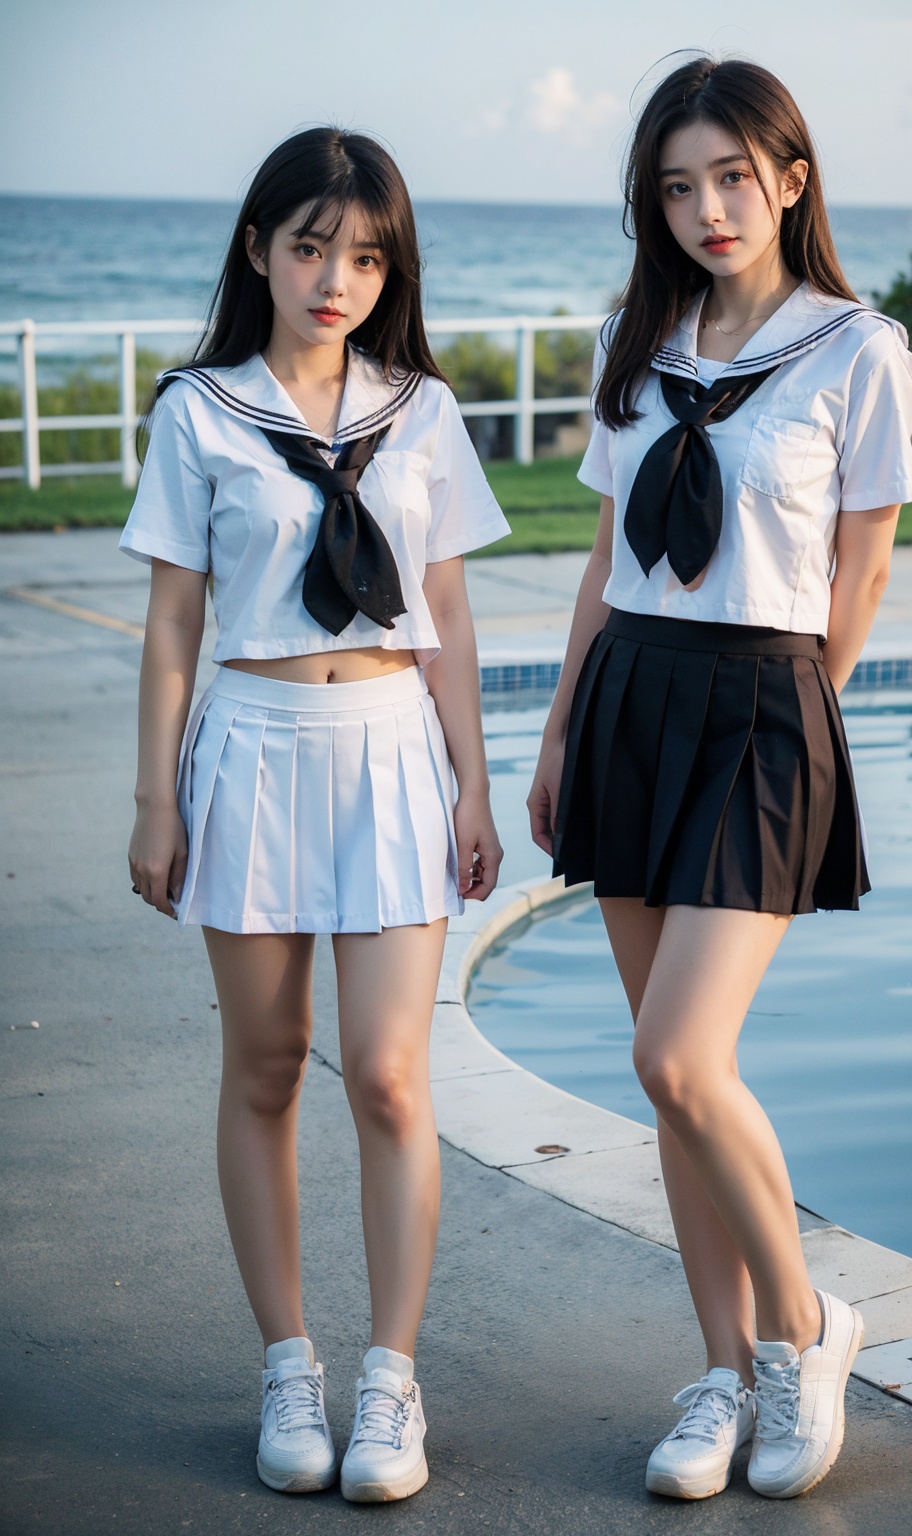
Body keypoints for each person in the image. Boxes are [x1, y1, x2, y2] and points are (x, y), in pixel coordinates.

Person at [528, 56, 912, 1503]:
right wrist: (563, 731)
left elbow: (863, 565)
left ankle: (804, 1335)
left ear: (792, 179)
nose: (706, 209)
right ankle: (718, 1367)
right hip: (632, 688)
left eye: (732, 179)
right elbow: (602, 558)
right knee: (677, 1091)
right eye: (677, 186)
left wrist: (808, 718)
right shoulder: (643, 344)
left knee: (677, 1058)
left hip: (764, 701)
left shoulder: (856, 351)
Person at [122, 127, 509, 1504]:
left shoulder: (424, 411)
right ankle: (289, 1362)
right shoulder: (200, 411)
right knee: (271, 1067)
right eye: (307, 248)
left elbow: (448, 613)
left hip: (393, 743)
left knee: (394, 1077)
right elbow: (174, 622)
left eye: (363, 254)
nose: (334, 278)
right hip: (254, 747)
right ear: (257, 251)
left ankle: (390, 1380)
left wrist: (472, 780)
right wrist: (155, 794)